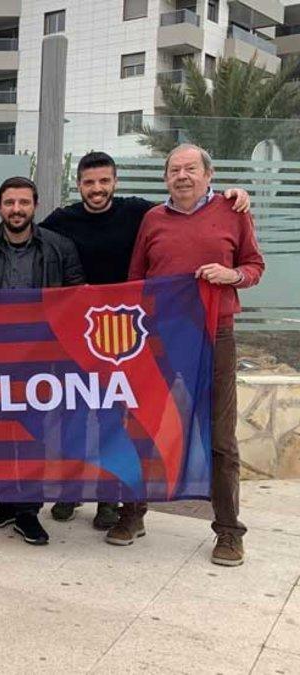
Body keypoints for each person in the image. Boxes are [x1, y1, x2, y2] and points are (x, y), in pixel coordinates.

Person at [0, 151, 251, 530]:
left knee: (151, 424)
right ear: (79, 185)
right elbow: (21, 224)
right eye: (89, 182)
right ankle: (77, 494)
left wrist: (230, 195)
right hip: (89, 333)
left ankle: (122, 505)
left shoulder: (143, 213)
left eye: (104, 181)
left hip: (162, 332)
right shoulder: (70, 221)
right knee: (84, 417)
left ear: (114, 182)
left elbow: (216, 232)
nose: (96, 188)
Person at [112, 144, 264, 567]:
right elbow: (136, 279)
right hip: (161, 337)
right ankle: (133, 513)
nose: (182, 175)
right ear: (165, 178)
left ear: (207, 174)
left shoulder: (233, 211)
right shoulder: (153, 220)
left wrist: (231, 275)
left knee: (220, 436)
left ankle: (230, 531)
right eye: (174, 169)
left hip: (216, 334)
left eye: (190, 168)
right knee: (143, 424)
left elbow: (254, 265)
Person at [0, 176, 85, 546]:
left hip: (42, 358)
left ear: (35, 206)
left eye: (23, 203)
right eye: (9, 203)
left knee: (35, 435)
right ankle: (5, 502)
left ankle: (28, 510)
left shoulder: (59, 247)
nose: (16, 209)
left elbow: (78, 294)